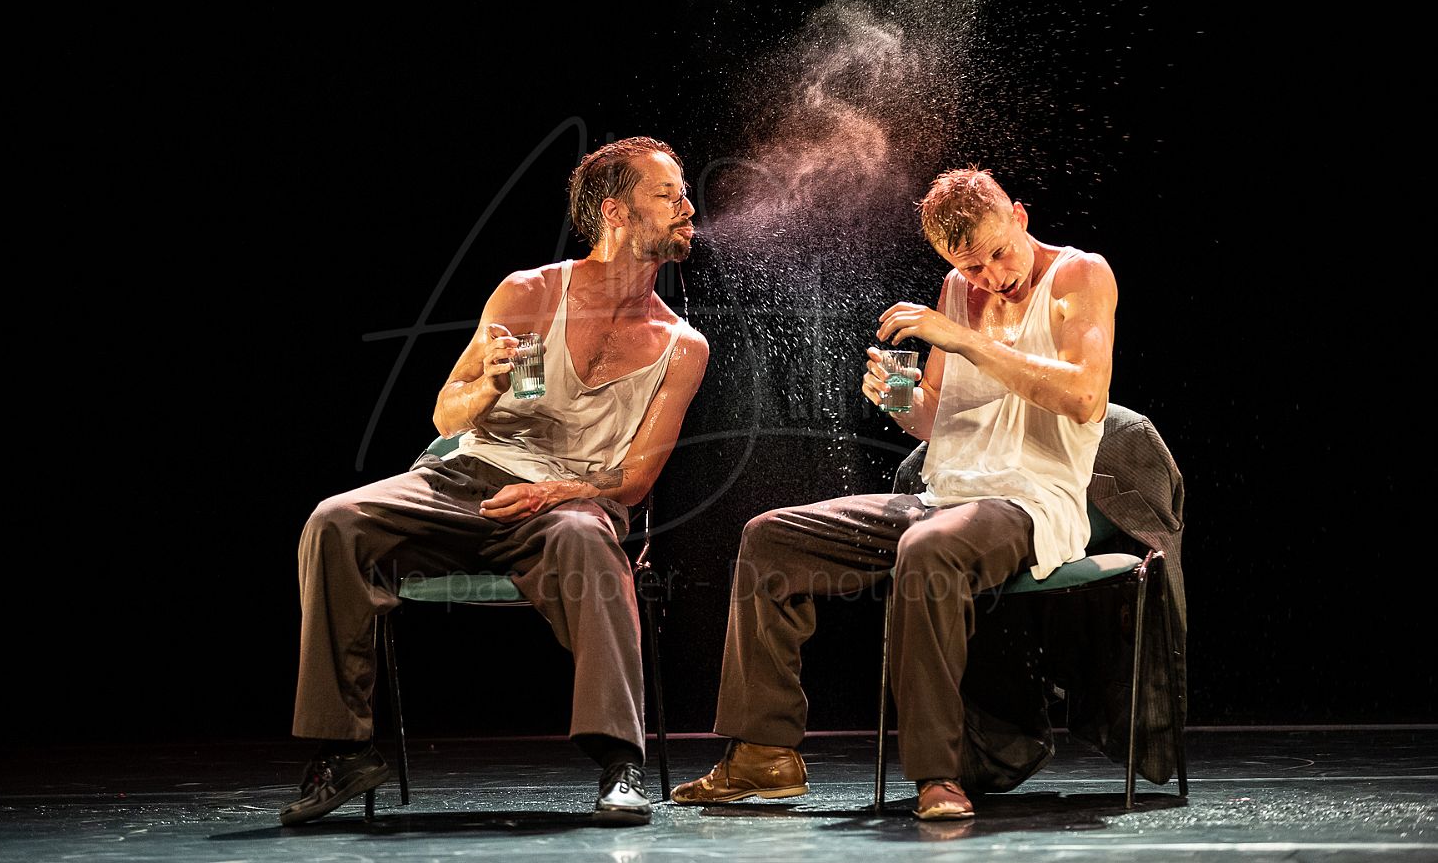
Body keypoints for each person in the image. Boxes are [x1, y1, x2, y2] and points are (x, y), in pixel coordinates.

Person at [284, 136, 709, 827]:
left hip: (568, 504)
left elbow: (633, 479)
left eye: (683, 195)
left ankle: (619, 762)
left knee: (588, 540)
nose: (687, 208)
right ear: (615, 212)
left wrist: (555, 493)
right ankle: (343, 751)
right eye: (667, 195)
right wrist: (487, 385)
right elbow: (446, 413)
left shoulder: (682, 347)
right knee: (336, 520)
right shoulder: (530, 292)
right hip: (464, 481)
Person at [671, 166, 1116, 820]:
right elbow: (935, 422)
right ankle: (763, 751)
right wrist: (899, 401)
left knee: (928, 549)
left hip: (1031, 501)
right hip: (944, 496)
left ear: (1019, 217)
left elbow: (1084, 396)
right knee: (770, 537)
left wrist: (961, 338)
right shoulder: (957, 289)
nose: (989, 276)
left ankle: (938, 773)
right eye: (969, 266)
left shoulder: (1079, 275)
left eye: (998, 253)